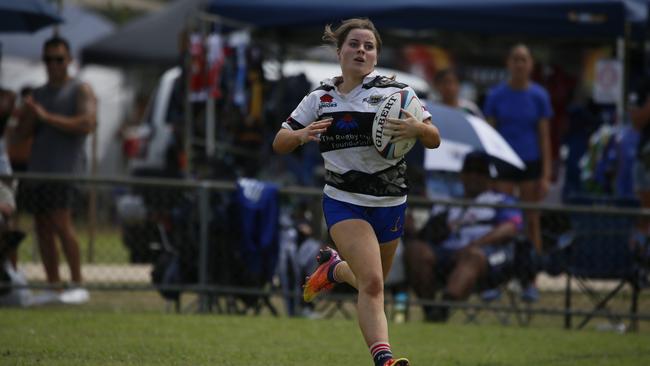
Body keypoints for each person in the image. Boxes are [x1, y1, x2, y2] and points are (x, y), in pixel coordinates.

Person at [272, 18, 440, 366]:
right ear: (340, 52)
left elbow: (434, 137)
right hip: (344, 201)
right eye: (354, 44)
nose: (360, 50)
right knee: (374, 283)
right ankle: (385, 359)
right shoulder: (320, 98)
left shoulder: (396, 94)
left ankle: (333, 270)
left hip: (391, 200)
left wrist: (416, 128)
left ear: (376, 56)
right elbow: (279, 142)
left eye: (368, 46)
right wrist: (301, 136)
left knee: (370, 279)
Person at [15, 36, 97, 304]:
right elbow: (20, 134)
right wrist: (26, 115)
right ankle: (53, 286)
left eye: (59, 59)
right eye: (48, 59)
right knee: (42, 228)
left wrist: (47, 117)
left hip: (65, 171)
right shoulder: (38, 95)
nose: (53, 65)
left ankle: (77, 283)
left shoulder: (80, 90)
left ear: (69, 60)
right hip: (39, 170)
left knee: (62, 224)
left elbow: (88, 123)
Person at [405, 151, 523, 322]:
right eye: (469, 171)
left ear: (489, 177)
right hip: (447, 255)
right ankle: (430, 309)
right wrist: (412, 230)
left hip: (487, 258)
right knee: (416, 250)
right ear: (462, 175)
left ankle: (444, 308)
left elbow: (511, 228)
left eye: (480, 172)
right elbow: (427, 235)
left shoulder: (499, 200)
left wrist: (476, 244)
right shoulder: (449, 203)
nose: (474, 176)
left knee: (472, 256)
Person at [483, 44, 553, 254]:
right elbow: (489, 134)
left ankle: (534, 265)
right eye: (515, 59)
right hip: (504, 161)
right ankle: (502, 262)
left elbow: (545, 138)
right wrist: (489, 169)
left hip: (530, 161)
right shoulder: (496, 95)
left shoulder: (539, 96)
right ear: (508, 63)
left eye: (524, 59)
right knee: (504, 215)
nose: (520, 64)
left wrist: (546, 175)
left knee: (532, 217)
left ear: (531, 64)